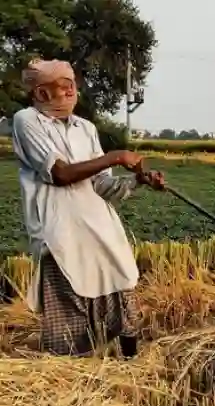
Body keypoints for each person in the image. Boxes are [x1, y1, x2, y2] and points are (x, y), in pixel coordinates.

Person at [11, 58, 165, 358]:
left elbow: (102, 185)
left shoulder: (86, 128)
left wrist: (141, 180)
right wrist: (115, 156)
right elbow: (60, 174)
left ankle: (131, 366)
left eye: (72, 87)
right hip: (60, 231)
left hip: (99, 225)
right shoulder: (26, 121)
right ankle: (73, 377)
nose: (70, 93)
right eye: (62, 88)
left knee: (121, 289)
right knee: (69, 309)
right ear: (41, 94)